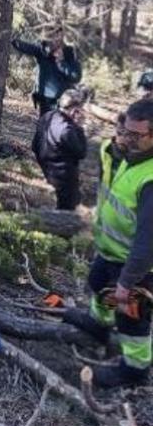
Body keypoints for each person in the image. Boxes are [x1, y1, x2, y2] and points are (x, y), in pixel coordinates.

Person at [63, 99, 153, 388]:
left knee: (131, 317)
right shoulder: (124, 154)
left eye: (136, 135)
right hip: (111, 250)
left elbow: (146, 242)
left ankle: (135, 370)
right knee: (97, 280)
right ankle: (98, 324)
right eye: (125, 130)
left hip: (138, 265)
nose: (127, 138)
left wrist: (127, 282)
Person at [31, 87, 89, 210]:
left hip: (46, 171)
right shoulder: (67, 129)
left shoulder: (47, 116)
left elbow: (34, 145)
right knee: (66, 211)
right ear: (75, 110)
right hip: (64, 180)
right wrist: (80, 127)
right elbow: (82, 152)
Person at [11, 26, 81, 114]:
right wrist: (12, 40)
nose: (56, 40)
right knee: (45, 124)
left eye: (58, 36)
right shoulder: (42, 49)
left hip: (63, 101)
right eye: (53, 36)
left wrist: (61, 62)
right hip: (44, 100)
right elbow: (26, 47)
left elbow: (76, 77)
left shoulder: (69, 53)